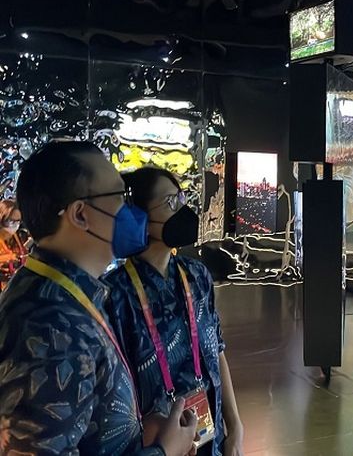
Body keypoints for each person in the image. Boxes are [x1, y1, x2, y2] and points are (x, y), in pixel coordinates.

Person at [0, 141, 197, 455]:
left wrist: (132, 433)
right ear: (80, 214)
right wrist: (164, 452)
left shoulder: (68, 295)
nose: (131, 210)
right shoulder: (51, 328)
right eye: (119, 196)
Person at [104, 167, 244, 456]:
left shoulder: (196, 275)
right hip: (157, 445)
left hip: (211, 437)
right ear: (139, 217)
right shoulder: (116, 294)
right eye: (170, 202)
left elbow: (217, 351)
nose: (182, 210)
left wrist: (235, 428)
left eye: (181, 198)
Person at [0, 199, 28, 290]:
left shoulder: (18, 236)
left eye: (18, 221)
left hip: (18, 285)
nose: (15, 225)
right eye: (11, 221)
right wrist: (9, 258)